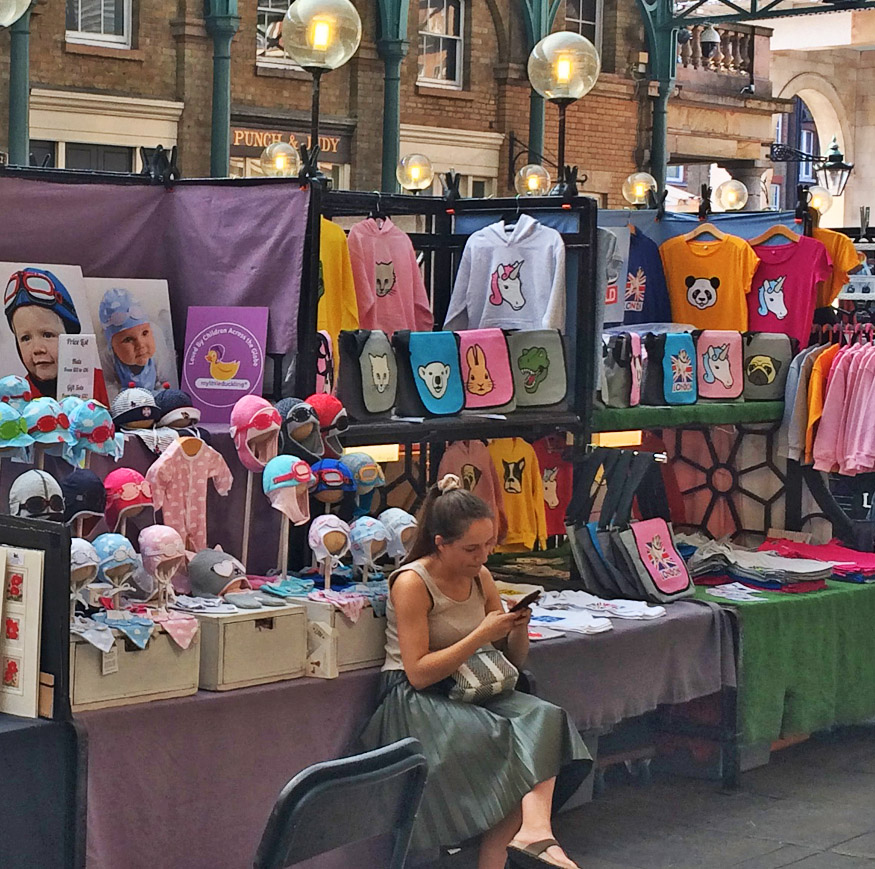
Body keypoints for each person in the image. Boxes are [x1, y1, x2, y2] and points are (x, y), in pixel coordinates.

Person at [360, 474, 590, 869]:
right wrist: (479, 634)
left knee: (546, 718)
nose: (482, 556)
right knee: (507, 744)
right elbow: (416, 672)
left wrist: (516, 629)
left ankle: (535, 831)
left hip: (474, 683)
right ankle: (523, 840)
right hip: (418, 698)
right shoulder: (413, 582)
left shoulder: (481, 576)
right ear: (440, 543)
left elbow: (512, 663)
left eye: (488, 545)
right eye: (470, 548)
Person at [4, 266, 108, 404]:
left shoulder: (102, 385)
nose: (37, 349)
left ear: (71, 338)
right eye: (25, 338)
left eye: (47, 335)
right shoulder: (16, 398)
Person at [98, 287, 159, 392]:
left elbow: (166, 381)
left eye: (145, 333)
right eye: (128, 339)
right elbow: (105, 385)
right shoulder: (108, 358)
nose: (140, 344)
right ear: (112, 346)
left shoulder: (157, 357)